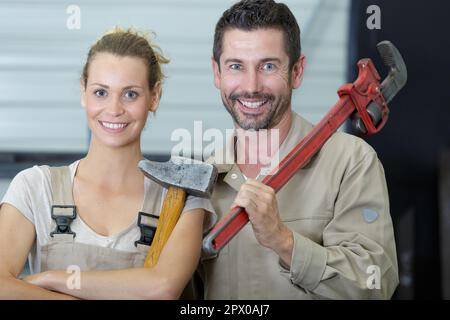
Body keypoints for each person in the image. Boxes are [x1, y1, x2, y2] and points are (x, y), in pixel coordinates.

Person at [199, 0, 399, 299]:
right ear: (217, 73)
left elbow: (375, 283)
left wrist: (283, 240)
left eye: (268, 66)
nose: (251, 86)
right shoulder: (201, 179)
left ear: (297, 71)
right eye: (236, 66)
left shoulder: (351, 162)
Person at [0, 27, 215, 300]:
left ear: (155, 96)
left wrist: (52, 278)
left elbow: (163, 287)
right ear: (83, 91)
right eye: (101, 93)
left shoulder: (182, 198)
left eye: (130, 94)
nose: (114, 109)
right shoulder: (35, 187)